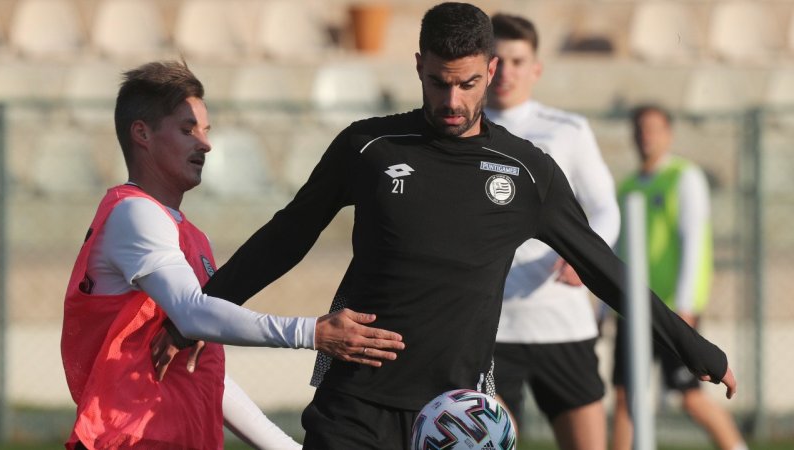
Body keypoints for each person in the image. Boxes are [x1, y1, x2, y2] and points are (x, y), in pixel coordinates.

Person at [159, 4, 736, 449]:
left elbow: (605, 269)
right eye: (438, 83)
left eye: (466, 84)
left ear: (490, 71)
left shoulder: (527, 172)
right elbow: (287, 236)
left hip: (457, 413)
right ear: (418, 67)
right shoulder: (369, 146)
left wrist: (696, 348)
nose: (452, 100)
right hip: (354, 398)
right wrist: (197, 315)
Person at [59, 60, 404, 450]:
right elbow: (192, 311)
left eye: (206, 131)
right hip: (129, 439)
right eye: (187, 129)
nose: (205, 144)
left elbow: (205, 375)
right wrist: (312, 333)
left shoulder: (187, 234)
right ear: (142, 133)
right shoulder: (134, 213)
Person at [484, 13, 618, 450]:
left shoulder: (568, 130)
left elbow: (604, 209)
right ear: (483, 65)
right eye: (497, 60)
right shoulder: (462, 130)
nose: (506, 71)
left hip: (562, 324)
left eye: (518, 61)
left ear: (535, 68)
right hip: (487, 328)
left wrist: (586, 258)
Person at [611, 104, 747, 450]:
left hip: (672, 309)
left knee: (689, 396)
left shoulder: (684, 177)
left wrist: (686, 304)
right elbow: (616, 252)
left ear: (668, 134)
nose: (646, 136)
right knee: (626, 396)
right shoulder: (627, 187)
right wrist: (603, 309)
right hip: (632, 309)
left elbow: (694, 242)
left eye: (654, 128)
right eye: (640, 128)